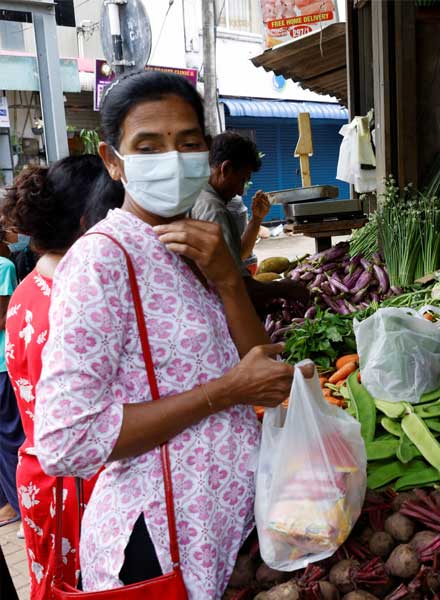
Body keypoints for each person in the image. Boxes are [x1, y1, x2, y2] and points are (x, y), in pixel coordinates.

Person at [33, 70, 311, 598]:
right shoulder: (101, 260)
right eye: (148, 146)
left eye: (187, 143)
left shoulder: (194, 245)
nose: (172, 159)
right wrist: (224, 392)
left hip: (222, 527)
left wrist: (228, 279)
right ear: (113, 161)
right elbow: (66, 440)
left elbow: (260, 363)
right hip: (158, 540)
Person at [2, 155, 124, 598]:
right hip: (80, 487)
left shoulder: (27, 289)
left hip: (43, 479)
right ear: (89, 222)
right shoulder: (76, 303)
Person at [191, 132, 308, 313]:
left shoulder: (197, 194)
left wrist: (256, 219)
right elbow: (239, 288)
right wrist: (284, 288)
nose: (240, 191)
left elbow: (238, 256)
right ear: (226, 169)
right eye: (242, 180)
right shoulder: (213, 210)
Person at [0, 232, 21, 531]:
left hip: (4, 366)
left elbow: (5, 317)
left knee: (11, 441)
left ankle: (21, 507)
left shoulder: (4, 267)